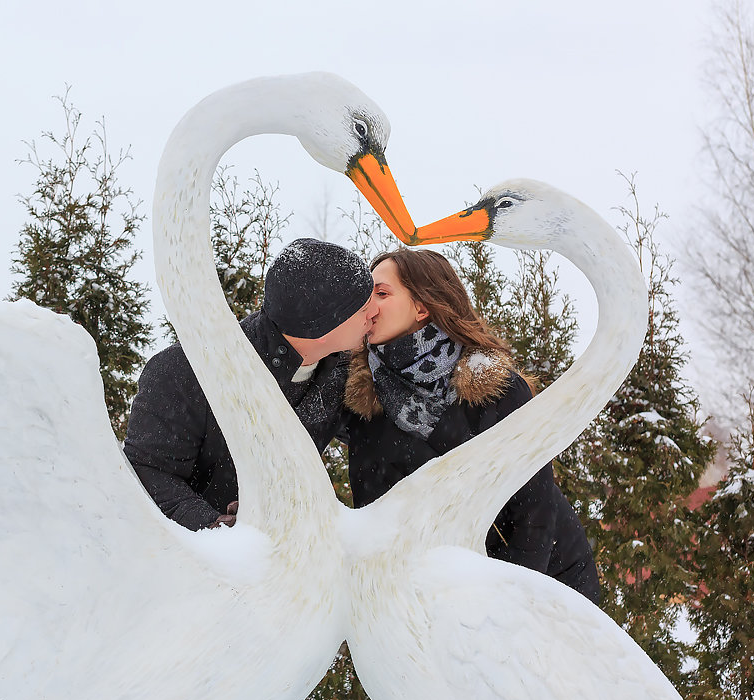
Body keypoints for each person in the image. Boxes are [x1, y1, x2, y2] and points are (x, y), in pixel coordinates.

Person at [342, 248, 601, 605]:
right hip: (431, 598)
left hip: (542, 584)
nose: (368, 305)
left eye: (382, 293)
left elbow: (534, 510)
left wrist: (503, 602)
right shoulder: (360, 394)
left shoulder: (496, 388)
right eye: (365, 294)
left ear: (422, 306)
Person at [124, 237, 377, 532]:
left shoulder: (342, 374)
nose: (374, 314)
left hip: (284, 564)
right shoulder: (185, 370)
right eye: (363, 308)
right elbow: (148, 472)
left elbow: (381, 436)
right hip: (187, 563)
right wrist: (219, 529)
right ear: (321, 323)